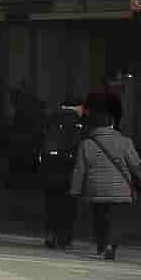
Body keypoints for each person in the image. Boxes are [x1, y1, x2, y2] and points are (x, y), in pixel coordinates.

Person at [72, 99, 141, 261]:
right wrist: (140, 180)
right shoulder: (125, 142)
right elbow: (135, 165)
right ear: (112, 125)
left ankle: (101, 245)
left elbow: (80, 169)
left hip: (95, 189)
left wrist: (75, 190)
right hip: (120, 189)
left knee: (99, 218)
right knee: (116, 220)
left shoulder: (86, 144)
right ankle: (111, 245)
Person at [42, 97, 87, 251]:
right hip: (70, 169)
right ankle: (64, 238)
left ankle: (51, 234)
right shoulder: (78, 124)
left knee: (51, 203)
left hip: (51, 169)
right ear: (78, 107)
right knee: (68, 205)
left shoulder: (51, 120)